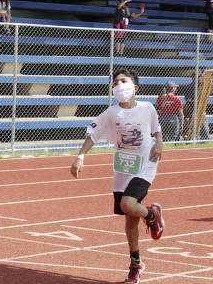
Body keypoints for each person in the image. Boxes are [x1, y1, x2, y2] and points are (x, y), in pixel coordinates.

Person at [70, 69, 165, 284]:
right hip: (123, 167)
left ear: (135, 87)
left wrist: (159, 142)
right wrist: (80, 157)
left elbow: (156, 129)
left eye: (124, 81)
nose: (119, 85)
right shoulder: (111, 113)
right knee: (129, 217)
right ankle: (135, 265)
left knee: (128, 204)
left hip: (145, 164)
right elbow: (92, 134)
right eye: (116, 82)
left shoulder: (147, 108)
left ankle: (152, 216)